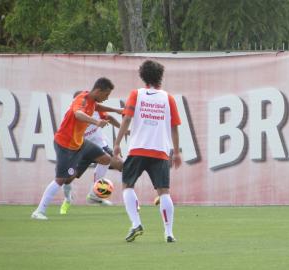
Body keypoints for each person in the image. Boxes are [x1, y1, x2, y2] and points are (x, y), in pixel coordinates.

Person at [31, 77, 121, 220]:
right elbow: (78, 114)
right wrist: (96, 121)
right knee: (61, 179)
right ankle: (39, 211)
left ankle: (94, 195)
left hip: (80, 143)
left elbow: (98, 108)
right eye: (106, 95)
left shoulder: (92, 101)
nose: (107, 97)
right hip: (65, 145)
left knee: (105, 159)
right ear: (98, 91)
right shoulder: (82, 99)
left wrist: (117, 109)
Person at [114, 60, 182, 243]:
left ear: (143, 77)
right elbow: (175, 127)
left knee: (127, 186)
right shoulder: (168, 98)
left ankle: (136, 223)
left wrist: (117, 143)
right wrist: (176, 152)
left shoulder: (136, 94)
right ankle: (169, 233)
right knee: (164, 193)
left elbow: (127, 120)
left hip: (137, 149)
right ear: (161, 77)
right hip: (160, 150)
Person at [59, 91, 125, 215]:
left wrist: (124, 130)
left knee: (121, 165)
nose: (83, 104)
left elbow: (108, 118)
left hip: (100, 147)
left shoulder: (94, 108)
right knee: (67, 178)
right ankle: (67, 199)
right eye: (79, 103)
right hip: (82, 150)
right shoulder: (72, 115)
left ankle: (95, 195)